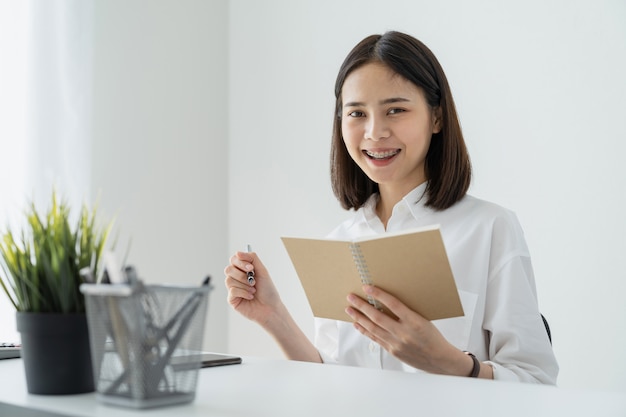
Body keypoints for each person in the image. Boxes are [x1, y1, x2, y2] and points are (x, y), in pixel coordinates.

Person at [224, 31, 558, 384]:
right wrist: (272, 314)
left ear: (437, 117)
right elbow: (331, 384)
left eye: (395, 110)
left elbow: (536, 379)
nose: (374, 132)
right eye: (356, 113)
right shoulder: (339, 243)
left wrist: (452, 362)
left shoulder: (490, 229)